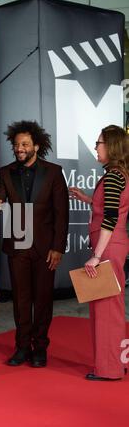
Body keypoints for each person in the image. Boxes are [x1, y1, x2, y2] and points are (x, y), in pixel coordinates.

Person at [0, 121, 69, 367]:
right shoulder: (6, 172)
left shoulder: (54, 172)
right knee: (21, 300)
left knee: (44, 300)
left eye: (25, 144)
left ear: (36, 145)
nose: (19, 148)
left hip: (46, 248)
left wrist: (58, 247)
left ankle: (40, 348)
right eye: (16, 145)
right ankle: (22, 347)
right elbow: (0, 199)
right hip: (17, 248)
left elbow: (61, 213)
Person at [69, 124, 129, 381]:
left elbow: (111, 217)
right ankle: (116, 361)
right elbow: (109, 206)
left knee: (105, 309)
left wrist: (97, 255)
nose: (96, 147)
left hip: (109, 247)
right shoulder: (116, 174)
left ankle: (109, 369)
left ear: (112, 146)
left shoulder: (114, 176)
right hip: (113, 245)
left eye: (99, 143)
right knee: (110, 307)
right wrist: (88, 198)